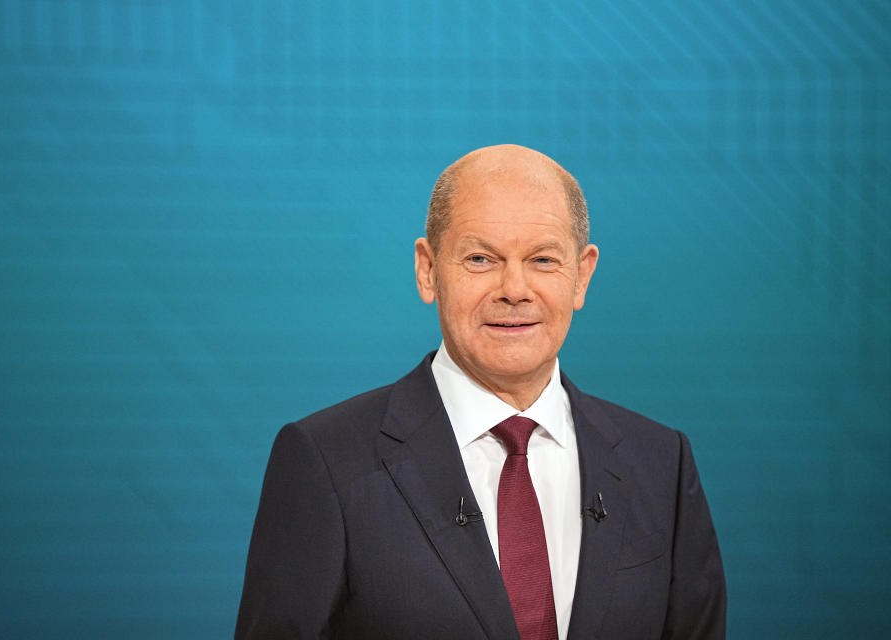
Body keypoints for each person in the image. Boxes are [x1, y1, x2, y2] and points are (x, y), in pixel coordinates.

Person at [234, 144, 726, 639]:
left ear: (582, 275)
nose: (514, 288)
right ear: (428, 270)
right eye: (480, 258)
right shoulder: (325, 461)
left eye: (542, 259)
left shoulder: (662, 464)